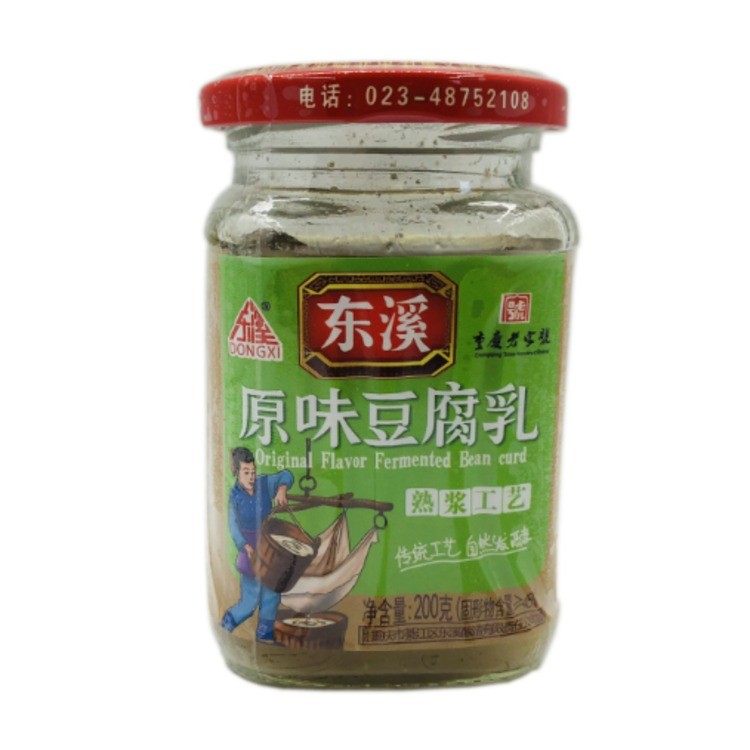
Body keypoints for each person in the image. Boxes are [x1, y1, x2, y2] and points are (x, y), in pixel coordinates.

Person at [220, 447, 294, 643]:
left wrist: (282, 488)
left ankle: (265, 635)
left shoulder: (263, 484)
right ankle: (226, 624)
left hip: (269, 547)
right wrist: (243, 545)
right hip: (250, 549)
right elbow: (233, 524)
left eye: (253, 472)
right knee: (250, 599)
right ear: (237, 472)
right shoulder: (235, 496)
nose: (251, 477)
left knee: (272, 594)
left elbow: (286, 475)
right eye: (246, 472)